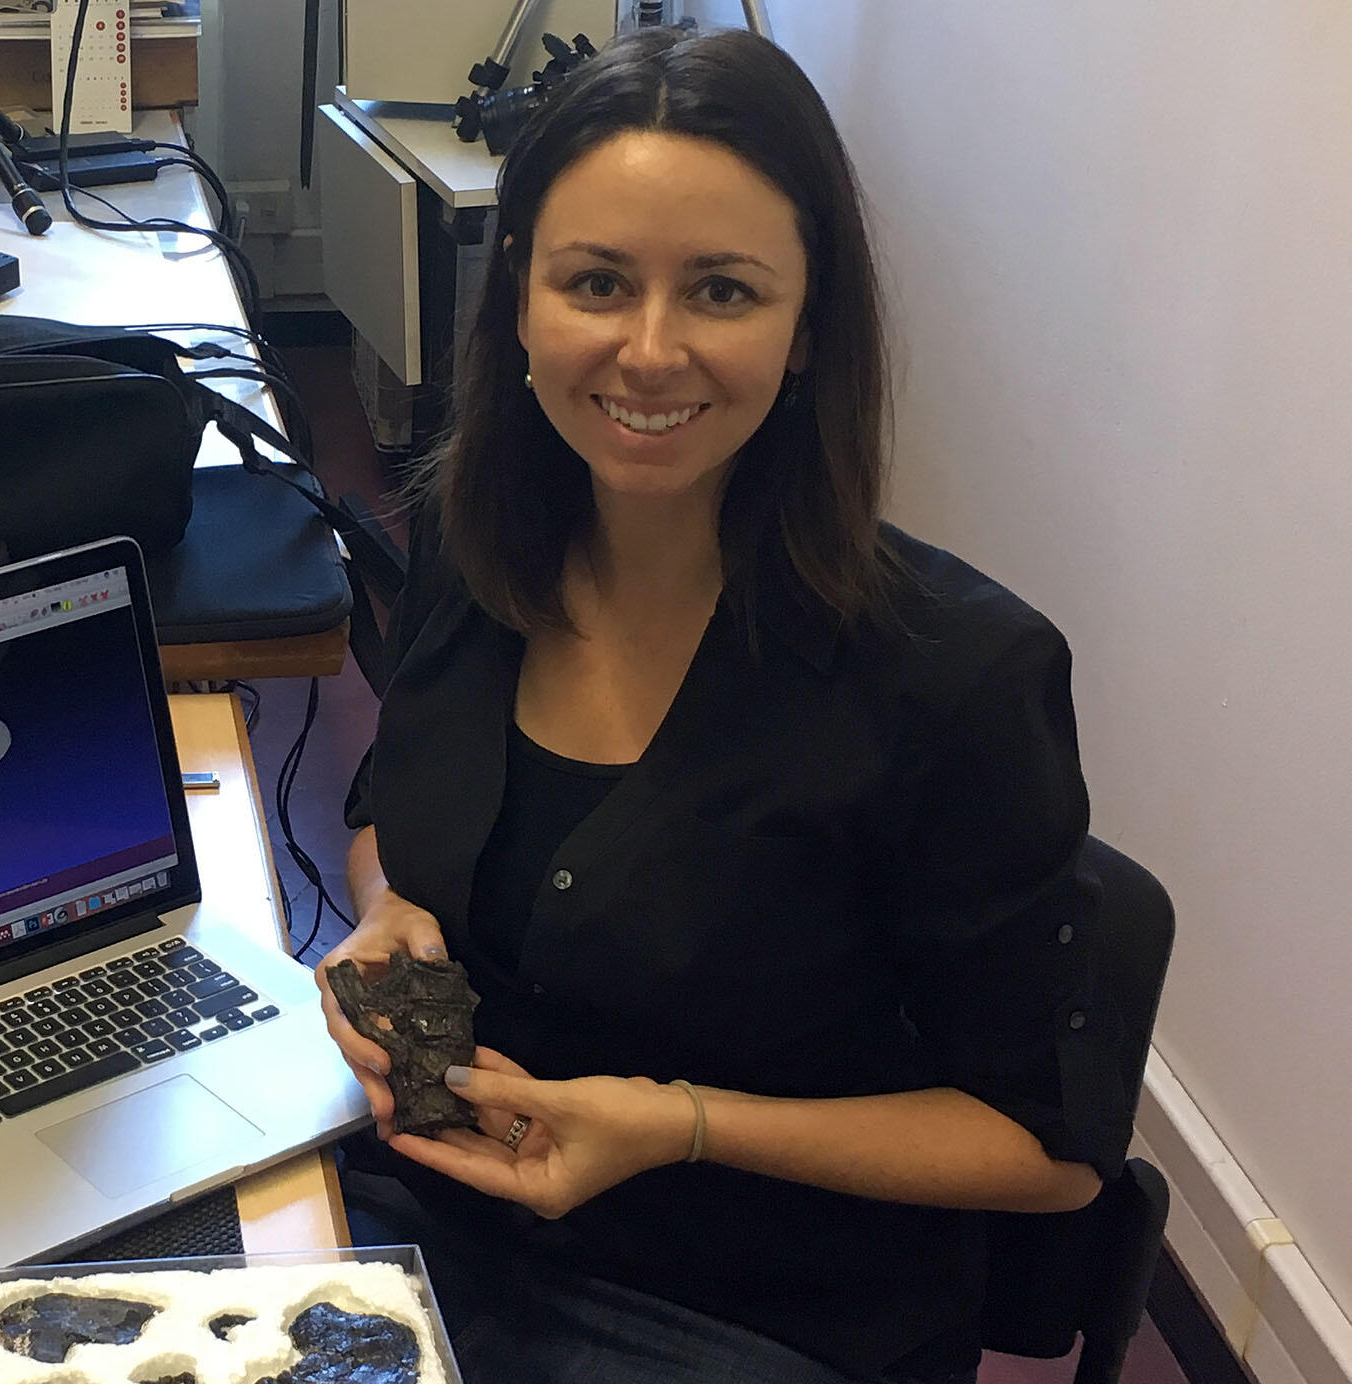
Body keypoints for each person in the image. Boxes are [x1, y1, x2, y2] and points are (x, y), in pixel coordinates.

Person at [321, 26, 1130, 1384]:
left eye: (720, 291)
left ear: (807, 325)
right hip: (435, 1215)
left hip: (750, 1308)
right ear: (521, 297)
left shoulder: (956, 678)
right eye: (596, 282)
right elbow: (384, 815)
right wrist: (384, 910)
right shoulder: (474, 541)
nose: (648, 352)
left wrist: (679, 1124)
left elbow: (1049, 1157)